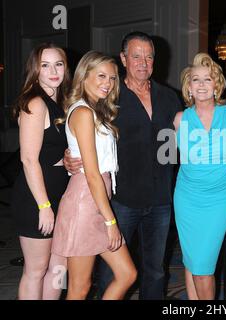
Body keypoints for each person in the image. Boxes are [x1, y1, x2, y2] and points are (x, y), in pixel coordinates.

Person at [64, 32, 182, 299]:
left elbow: (186, 137)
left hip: (161, 198)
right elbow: (82, 130)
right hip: (121, 200)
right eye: (136, 56)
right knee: (110, 273)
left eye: (149, 57)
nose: (143, 62)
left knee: (156, 270)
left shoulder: (169, 97)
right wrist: (69, 154)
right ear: (124, 59)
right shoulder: (108, 98)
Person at [51, 51, 137, 300]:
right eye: (101, 76)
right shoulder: (83, 113)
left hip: (96, 201)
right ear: (84, 76)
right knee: (79, 288)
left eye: (112, 78)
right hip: (85, 202)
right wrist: (111, 222)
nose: (108, 83)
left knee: (127, 274)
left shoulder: (93, 111)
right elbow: (91, 174)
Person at [173, 53, 226, 300]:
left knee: (202, 267)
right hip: (187, 199)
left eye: (207, 79)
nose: (201, 85)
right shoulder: (179, 119)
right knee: (191, 261)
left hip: (220, 199)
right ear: (188, 87)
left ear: (216, 85)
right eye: (195, 80)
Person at [10, 43, 71, 300]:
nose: (53, 70)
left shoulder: (61, 102)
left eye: (58, 64)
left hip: (60, 192)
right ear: (35, 71)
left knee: (59, 267)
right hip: (37, 197)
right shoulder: (36, 103)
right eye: (44, 65)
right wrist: (44, 205)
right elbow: (28, 159)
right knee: (36, 270)